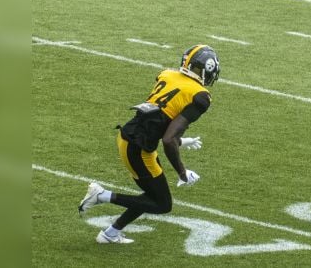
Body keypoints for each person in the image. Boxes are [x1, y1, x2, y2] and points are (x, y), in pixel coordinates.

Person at [77, 45, 221, 244]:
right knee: (162, 203)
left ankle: (110, 233)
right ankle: (101, 196)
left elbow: (160, 119)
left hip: (133, 137)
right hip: (138, 148)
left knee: (153, 195)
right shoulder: (201, 96)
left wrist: (181, 140)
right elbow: (168, 139)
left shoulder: (168, 75)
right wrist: (182, 172)